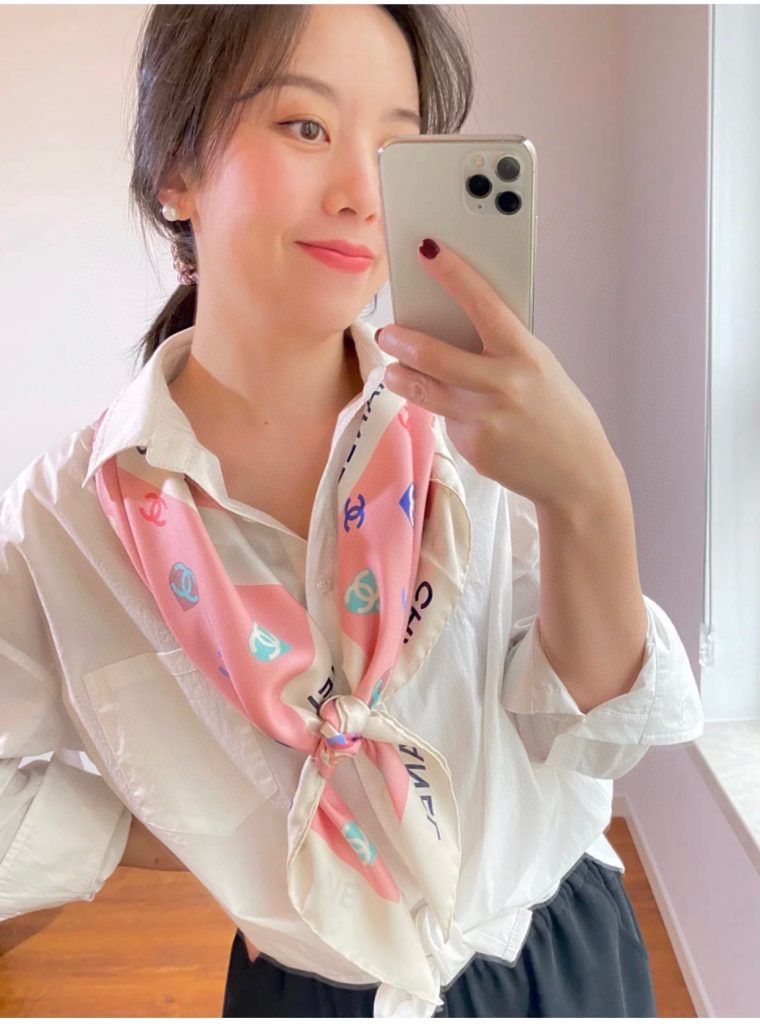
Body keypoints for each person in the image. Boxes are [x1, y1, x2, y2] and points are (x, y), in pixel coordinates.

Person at [0, 4, 704, 1018]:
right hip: (308, 990)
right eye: (305, 126)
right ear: (176, 171)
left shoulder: (479, 422)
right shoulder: (64, 525)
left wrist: (586, 493)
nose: (360, 194)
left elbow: (588, 734)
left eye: (394, 148)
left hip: (557, 957)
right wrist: (156, 817)